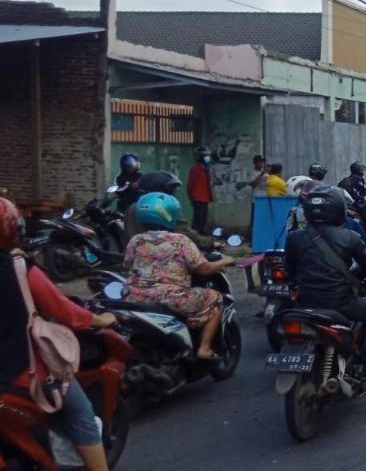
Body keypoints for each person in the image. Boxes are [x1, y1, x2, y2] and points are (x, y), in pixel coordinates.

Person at [1, 198, 119, 471]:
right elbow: (63, 311)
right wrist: (100, 319)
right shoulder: (19, 268)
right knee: (81, 415)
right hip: (22, 376)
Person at [284, 185, 366, 379]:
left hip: (305, 303)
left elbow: (290, 271)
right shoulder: (350, 237)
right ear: (338, 209)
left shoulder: (294, 238)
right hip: (341, 303)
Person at [124, 192, 236, 360]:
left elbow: (128, 264)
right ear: (168, 215)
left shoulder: (136, 240)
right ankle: (204, 348)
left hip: (134, 296)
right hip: (170, 298)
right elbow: (204, 269)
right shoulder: (180, 240)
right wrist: (226, 261)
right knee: (215, 298)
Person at [338, 162, 366, 238]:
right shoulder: (359, 179)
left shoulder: (346, 179)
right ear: (358, 170)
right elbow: (365, 191)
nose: (363, 172)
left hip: (347, 203)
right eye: (362, 170)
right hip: (358, 203)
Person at [186, 147, 213, 235]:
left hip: (204, 198)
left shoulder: (205, 170)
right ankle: (195, 238)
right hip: (198, 198)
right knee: (198, 221)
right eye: (206, 156)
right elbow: (190, 185)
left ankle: (200, 238)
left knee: (202, 221)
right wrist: (191, 198)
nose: (208, 158)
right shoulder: (196, 169)